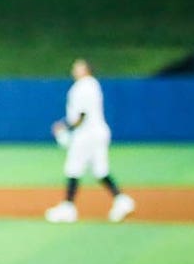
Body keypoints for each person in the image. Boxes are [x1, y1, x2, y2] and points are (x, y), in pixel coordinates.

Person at [46, 59, 135, 223]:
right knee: (100, 170)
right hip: (99, 132)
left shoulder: (81, 87)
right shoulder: (93, 85)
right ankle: (122, 200)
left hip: (86, 135)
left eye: (77, 67)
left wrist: (64, 126)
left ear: (86, 69)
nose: (74, 69)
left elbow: (81, 115)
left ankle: (68, 208)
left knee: (73, 168)